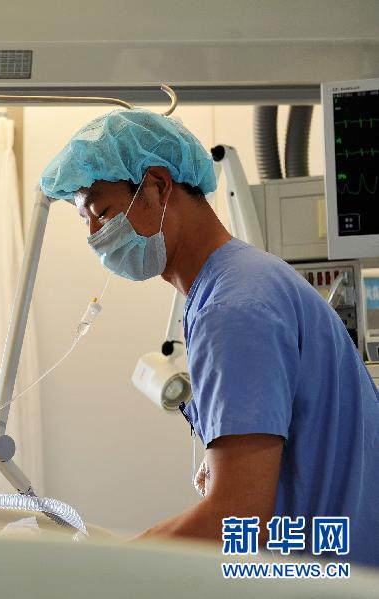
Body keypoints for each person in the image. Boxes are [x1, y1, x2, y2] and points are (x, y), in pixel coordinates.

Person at [40, 109, 378, 567]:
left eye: (102, 212)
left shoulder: (234, 308)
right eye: (87, 223)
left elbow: (236, 517)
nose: (97, 237)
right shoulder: (240, 283)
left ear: (159, 186)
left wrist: (110, 571)